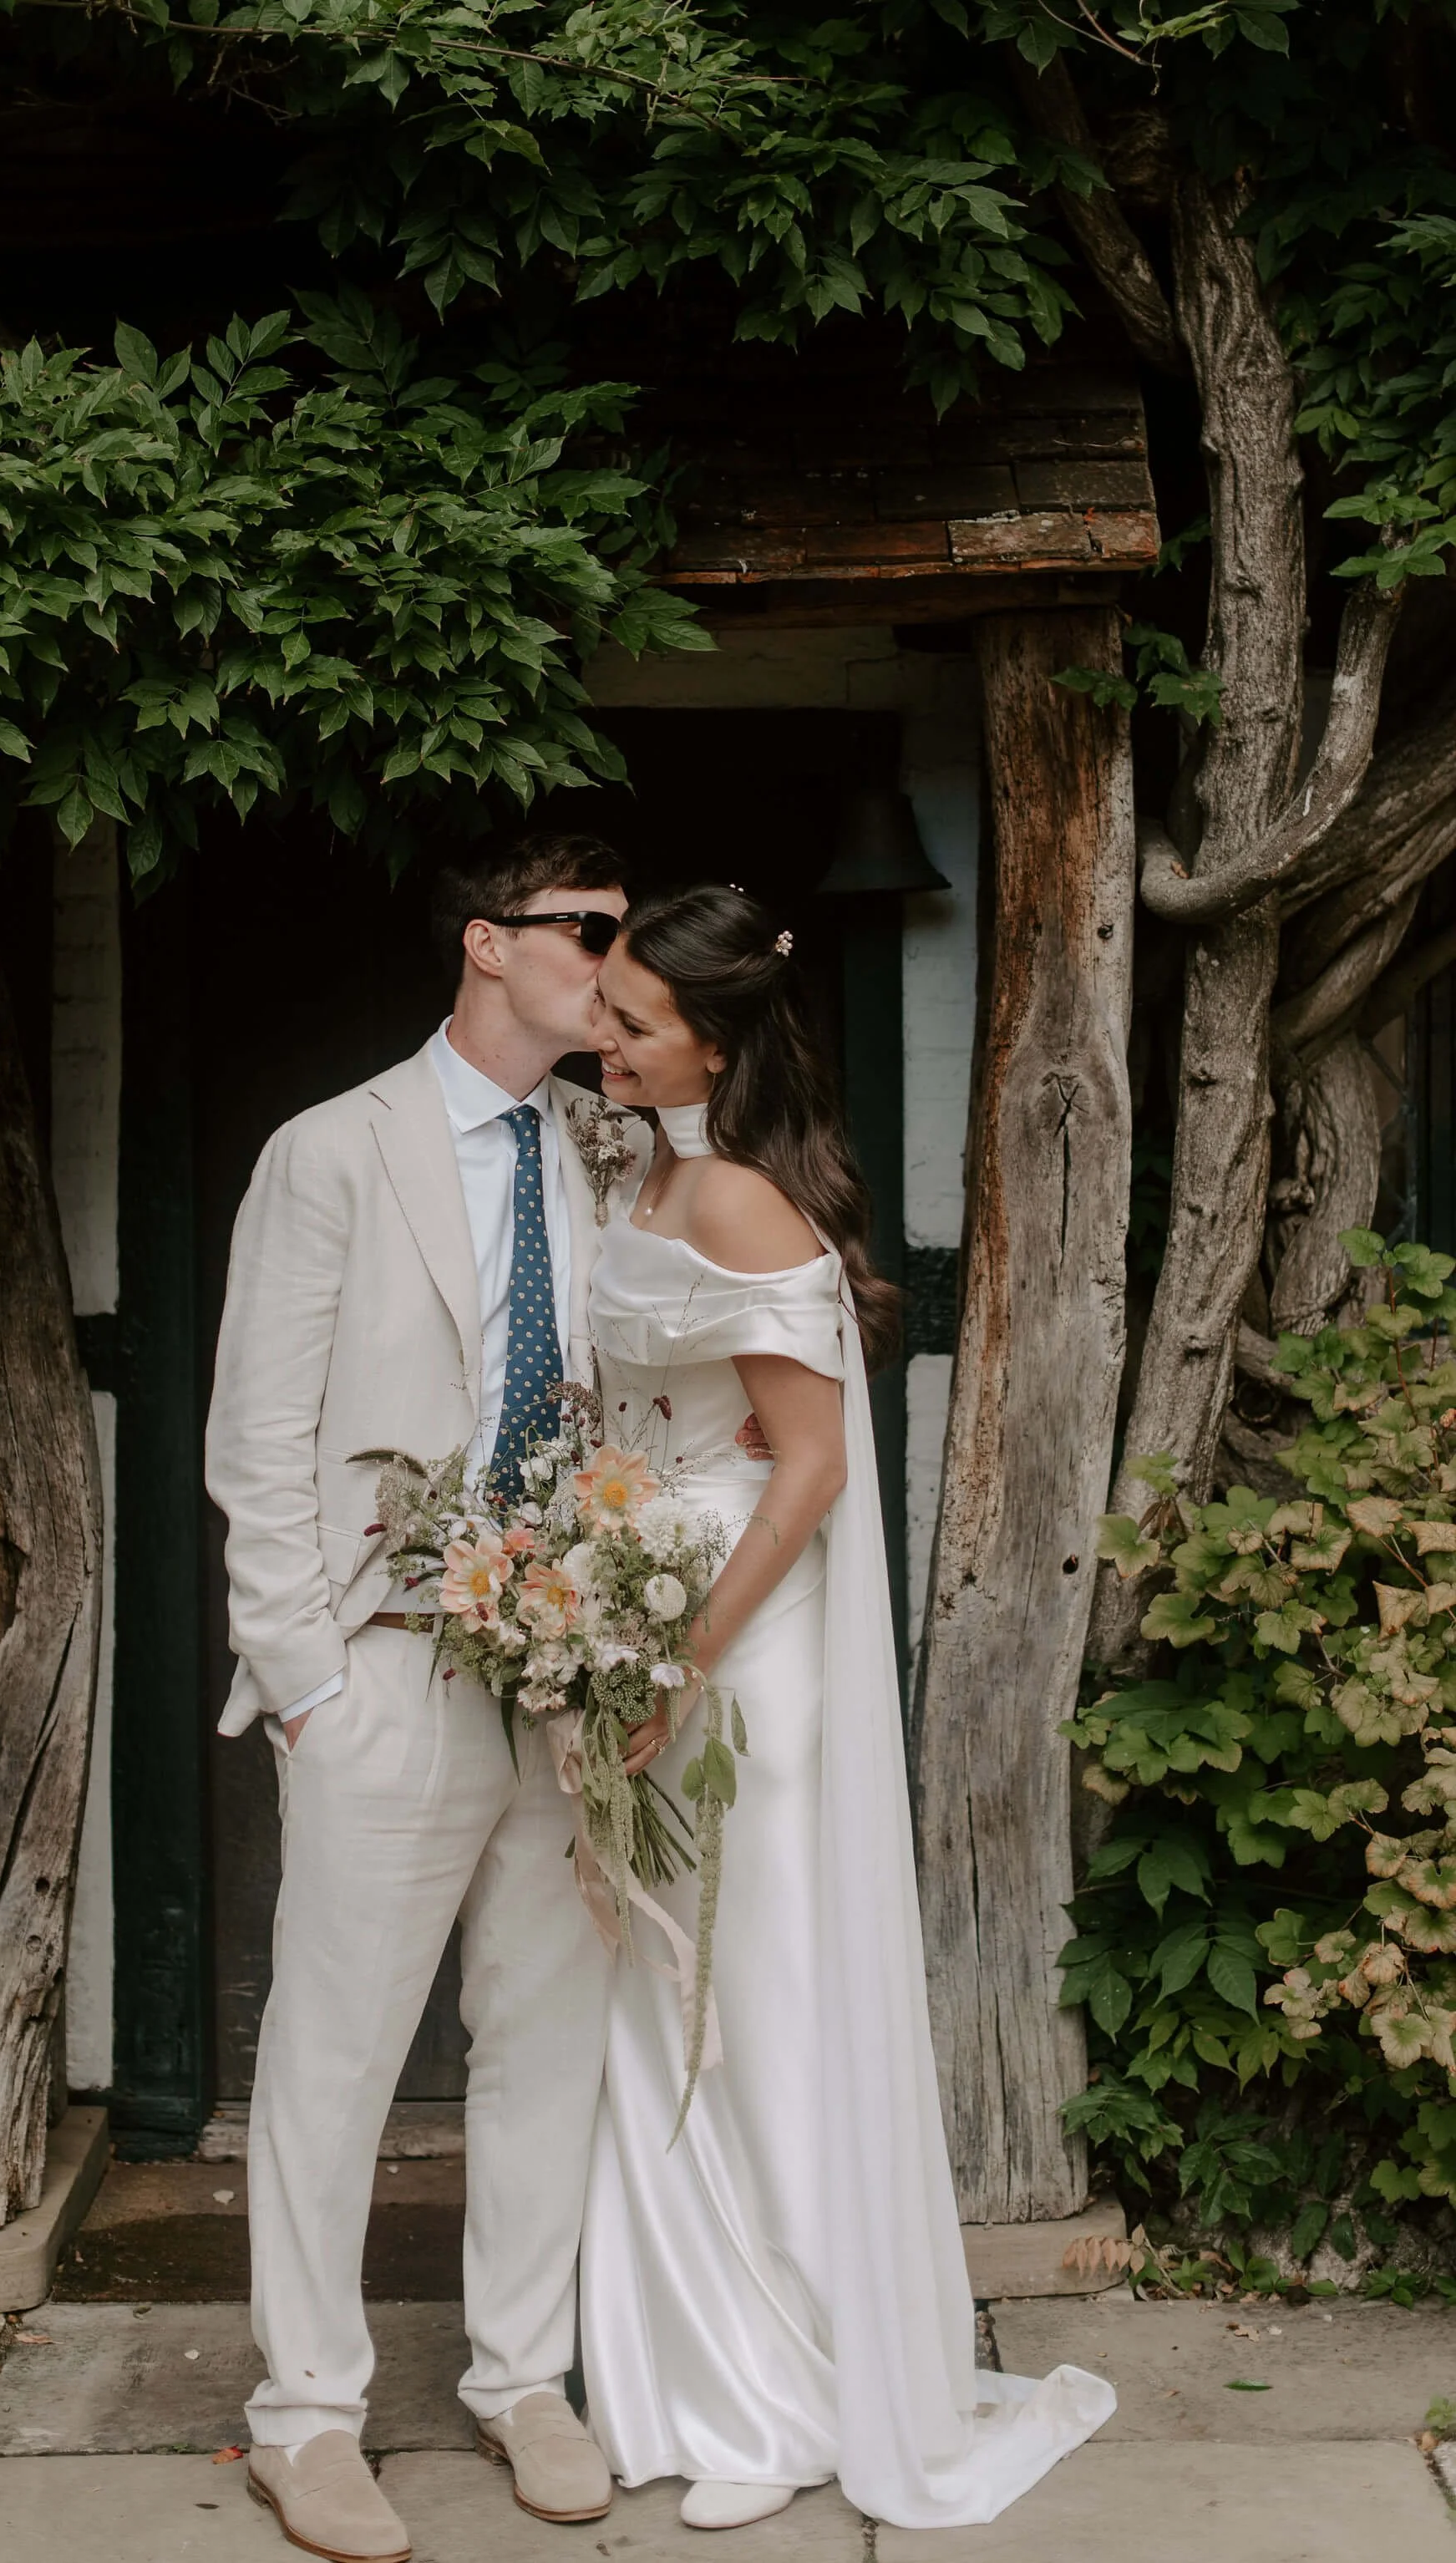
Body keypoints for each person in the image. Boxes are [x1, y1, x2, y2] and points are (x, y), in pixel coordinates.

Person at [578, 883, 1115, 2531]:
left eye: (628, 1021)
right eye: (600, 1005)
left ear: (714, 1046)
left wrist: (674, 1661)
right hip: (649, 1614)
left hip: (738, 1650)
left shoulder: (740, 1205)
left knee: (762, 2008)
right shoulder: (657, 1170)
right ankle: (694, 2367)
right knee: (670, 2008)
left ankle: (793, 2384)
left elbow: (806, 1471)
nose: (594, 1039)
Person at [205, 835, 649, 2560]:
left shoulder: (607, 1152)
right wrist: (309, 1681)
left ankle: (519, 2374)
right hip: (387, 1666)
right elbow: (256, 1434)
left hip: (571, 1672)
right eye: (589, 930)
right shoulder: (332, 1150)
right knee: (335, 2058)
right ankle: (305, 2413)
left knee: (547, 2041)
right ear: (489, 942)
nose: (614, 959)